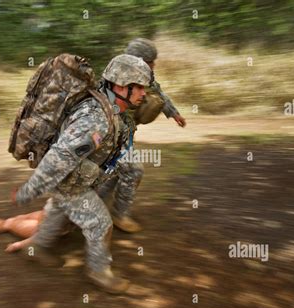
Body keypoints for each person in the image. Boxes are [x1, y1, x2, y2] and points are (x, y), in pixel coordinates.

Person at [11, 54, 152, 294]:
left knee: (58, 209)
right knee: (99, 223)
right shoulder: (96, 120)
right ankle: (99, 272)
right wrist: (29, 190)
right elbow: (60, 158)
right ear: (121, 86)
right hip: (68, 181)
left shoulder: (112, 107)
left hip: (72, 177)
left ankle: (36, 246)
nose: (144, 94)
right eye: (139, 88)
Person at [99, 38, 186, 233]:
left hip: (123, 134)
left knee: (117, 171)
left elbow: (159, 94)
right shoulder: (115, 77)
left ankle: (97, 203)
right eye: (149, 61)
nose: (153, 65)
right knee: (132, 170)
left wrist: (173, 114)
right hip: (107, 135)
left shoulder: (143, 75)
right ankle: (118, 215)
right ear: (137, 59)